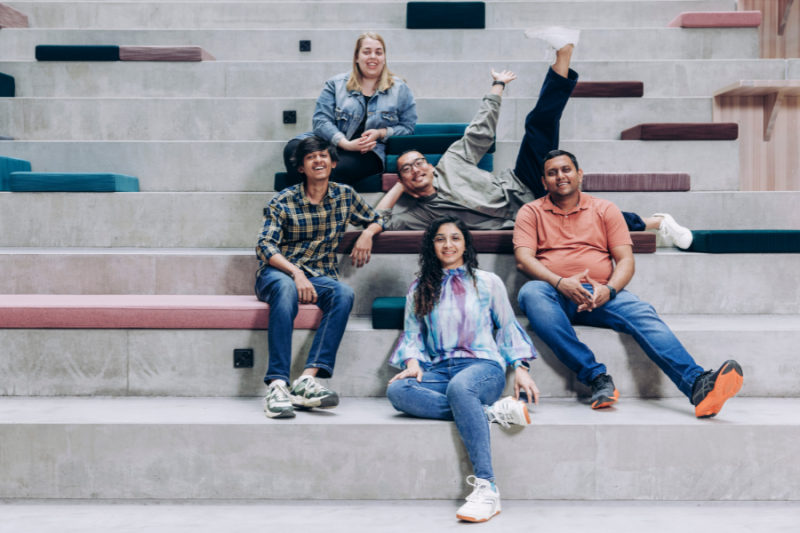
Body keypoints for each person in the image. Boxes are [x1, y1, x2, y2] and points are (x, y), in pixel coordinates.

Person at [375, 27, 693, 250]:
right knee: (587, 221)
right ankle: (657, 222)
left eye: (419, 163)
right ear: (402, 179)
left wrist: (497, 86)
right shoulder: (416, 213)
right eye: (406, 169)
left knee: (538, 124)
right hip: (527, 217)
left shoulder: (450, 162)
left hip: (523, 182)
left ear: (430, 166)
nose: (416, 168)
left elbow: (481, 131)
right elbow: (379, 220)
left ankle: (563, 51)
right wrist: (399, 186)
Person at [514, 149, 743, 418]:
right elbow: (523, 259)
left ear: (579, 174)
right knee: (531, 293)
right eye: (552, 173)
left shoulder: (605, 209)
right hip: (553, 292)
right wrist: (560, 282)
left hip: (599, 292)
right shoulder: (531, 212)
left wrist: (608, 289)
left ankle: (697, 384)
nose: (560, 176)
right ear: (544, 182)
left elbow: (625, 261)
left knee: (642, 311)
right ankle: (596, 376)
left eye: (565, 170)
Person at [386, 214, 539, 523]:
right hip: (440, 369)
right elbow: (412, 333)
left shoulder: (488, 282)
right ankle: (491, 413)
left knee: (461, 389)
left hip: (482, 367)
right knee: (397, 389)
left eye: (455, 237)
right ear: (432, 246)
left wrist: (520, 367)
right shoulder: (419, 288)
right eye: (440, 238)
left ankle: (487, 488)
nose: (448, 244)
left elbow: (507, 328)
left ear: (466, 243)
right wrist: (413, 364)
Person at [257, 136, 385, 419]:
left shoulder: (345, 195)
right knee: (286, 289)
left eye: (323, 156)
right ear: (301, 167)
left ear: (333, 162)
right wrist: (295, 272)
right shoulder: (283, 201)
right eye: (311, 157)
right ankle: (277, 385)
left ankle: (307, 380)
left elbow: (380, 217)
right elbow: (265, 247)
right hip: (278, 273)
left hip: (319, 276)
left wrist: (367, 233)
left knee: (344, 293)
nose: (318, 160)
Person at [283, 31, 417, 188]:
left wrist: (380, 133)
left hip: (367, 153)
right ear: (356, 57)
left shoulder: (400, 89)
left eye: (378, 52)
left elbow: (408, 127)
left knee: (330, 171)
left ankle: (304, 208)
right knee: (293, 150)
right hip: (331, 143)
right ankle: (311, 209)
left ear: (384, 58)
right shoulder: (336, 84)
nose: (373, 56)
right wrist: (345, 144)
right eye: (367, 52)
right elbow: (321, 121)